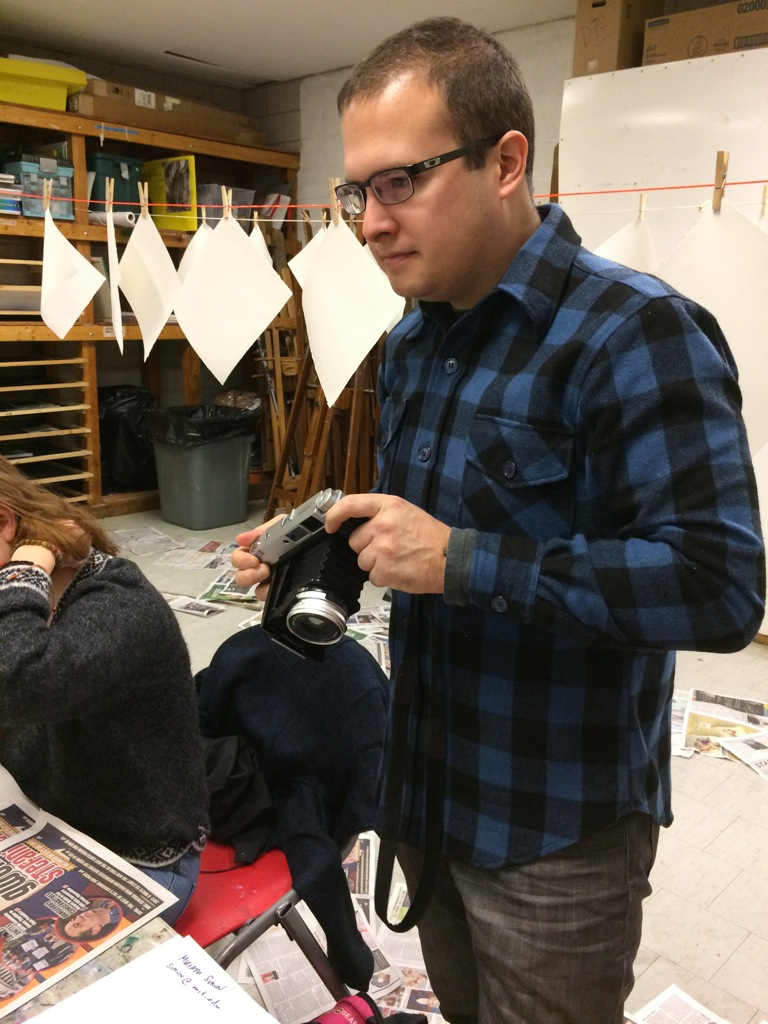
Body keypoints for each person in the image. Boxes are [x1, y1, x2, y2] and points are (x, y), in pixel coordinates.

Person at [231, 17, 765, 1024]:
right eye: (357, 191)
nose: (370, 222)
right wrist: (325, 551)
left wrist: (466, 561)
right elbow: (426, 533)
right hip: (431, 787)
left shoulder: (635, 333)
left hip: (556, 827)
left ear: (506, 161)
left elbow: (720, 586)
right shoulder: (417, 338)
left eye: (401, 181)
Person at [0, 457, 209, 923]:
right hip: (49, 819)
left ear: (4, 523)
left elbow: (17, 685)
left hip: (137, 857)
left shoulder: (118, 605)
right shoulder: (18, 606)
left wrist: (26, 566)